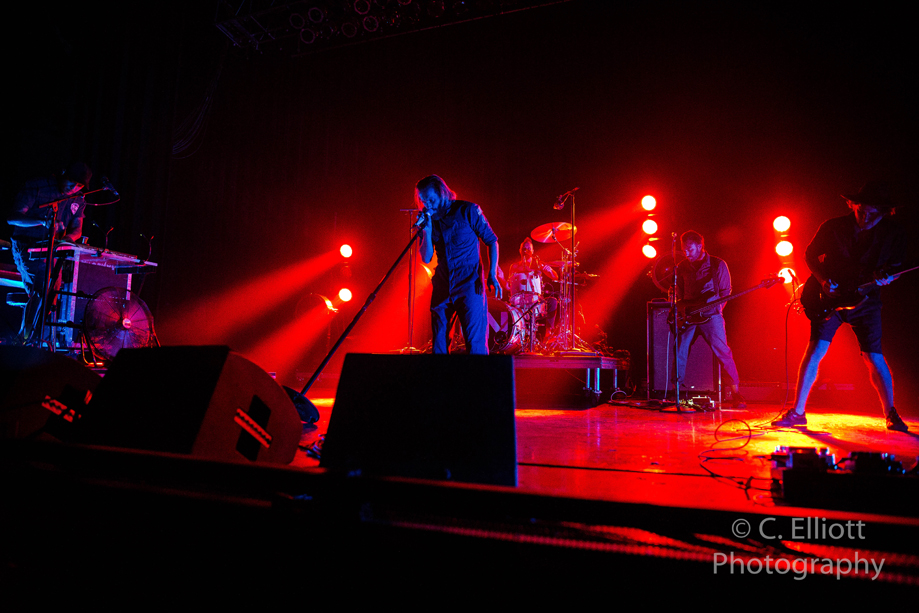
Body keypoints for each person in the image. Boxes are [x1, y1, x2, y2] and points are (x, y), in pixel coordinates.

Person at [773, 181, 909, 432]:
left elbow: (898, 268)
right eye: (861, 211)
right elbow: (810, 255)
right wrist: (823, 281)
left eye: (872, 214)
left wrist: (888, 277)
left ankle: (891, 413)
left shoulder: (894, 234)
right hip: (830, 298)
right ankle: (797, 412)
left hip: (866, 301)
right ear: (852, 205)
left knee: (873, 356)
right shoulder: (833, 226)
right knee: (815, 350)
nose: (865, 218)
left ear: (884, 212)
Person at [7, 162, 91, 344]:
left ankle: (36, 339)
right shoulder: (38, 186)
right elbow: (13, 218)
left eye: (79, 185)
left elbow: (77, 229)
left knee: (52, 293)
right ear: (63, 174)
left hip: (53, 250)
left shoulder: (78, 198)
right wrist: (42, 222)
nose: (74, 187)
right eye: (72, 182)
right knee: (42, 288)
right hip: (28, 246)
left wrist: (67, 239)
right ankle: (25, 339)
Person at [416, 175, 501, 354]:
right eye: (424, 200)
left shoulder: (468, 210)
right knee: (439, 343)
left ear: (442, 192)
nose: (427, 205)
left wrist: (492, 274)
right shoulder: (428, 220)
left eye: (431, 199)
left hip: (469, 283)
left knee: (475, 343)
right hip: (443, 284)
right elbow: (426, 257)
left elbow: (492, 240)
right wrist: (426, 231)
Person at [675, 230, 746, 408]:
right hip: (689, 317)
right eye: (684, 250)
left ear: (700, 246)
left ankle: (736, 394)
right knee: (680, 350)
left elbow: (726, 292)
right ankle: (674, 392)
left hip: (711, 316)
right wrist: (685, 312)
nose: (687, 253)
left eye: (690, 249)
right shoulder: (681, 267)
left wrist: (716, 311)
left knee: (723, 352)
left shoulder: (717, 264)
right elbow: (679, 294)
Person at [506, 237, 558, 338]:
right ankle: (513, 337)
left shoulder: (538, 263)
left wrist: (550, 271)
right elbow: (508, 286)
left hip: (536, 301)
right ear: (520, 250)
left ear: (533, 251)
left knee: (552, 301)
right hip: (519, 301)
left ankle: (549, 333)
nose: (526, 250)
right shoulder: (514, 266)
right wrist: (501, 278)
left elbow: (555, 277)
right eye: (524, 248)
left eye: (529, 248)